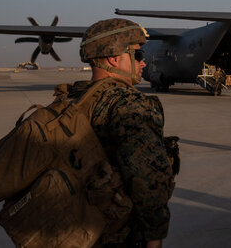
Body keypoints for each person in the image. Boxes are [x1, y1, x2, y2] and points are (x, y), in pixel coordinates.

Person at [75, 18, 174, 248]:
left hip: (78, 228)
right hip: (117, 235)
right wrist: (154, 239)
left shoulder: (73, 99)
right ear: (113, 58)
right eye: (137, 56)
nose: (143, 63)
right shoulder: (130, 105)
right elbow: (148, 181)